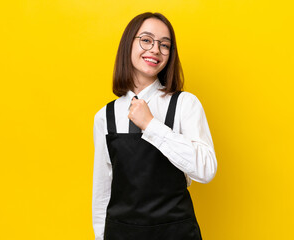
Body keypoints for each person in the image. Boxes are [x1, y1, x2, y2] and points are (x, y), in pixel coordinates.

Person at [92, 12, 217, 240]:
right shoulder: (105, 116)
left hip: (176, 233)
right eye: (146, 40)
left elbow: (206, 170)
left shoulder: (184, 104)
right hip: (122, 234)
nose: (155, 50)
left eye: (165, 45)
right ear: (128, 44)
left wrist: (151, 125)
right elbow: (102, 192)